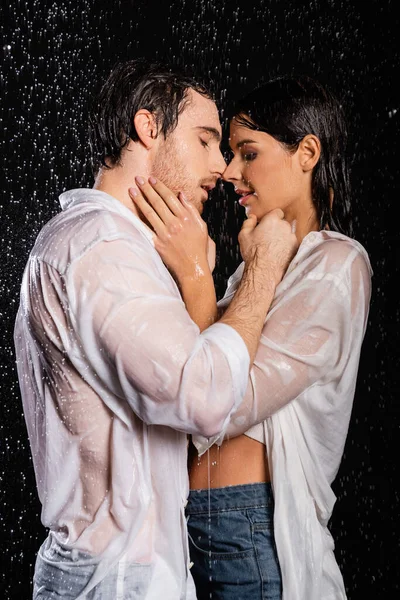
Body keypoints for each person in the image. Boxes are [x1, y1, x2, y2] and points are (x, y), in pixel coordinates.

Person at [13, 59, 298, 600]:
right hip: (118, 582)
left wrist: (194, 280)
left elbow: (184, 425)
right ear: (148, 128)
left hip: (131, 573)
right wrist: (262, 268)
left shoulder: (118, 249)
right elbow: (205, 397)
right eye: (206, 140)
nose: (221, 165)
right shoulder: (99, 248)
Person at [130, 74, 373, 600]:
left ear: (307, 153)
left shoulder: (336, 265)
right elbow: (189, 371)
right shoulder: (257, 266)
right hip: (196, 525)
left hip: (253, 525)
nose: (230, 171)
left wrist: (197, 275)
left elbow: (225, 401)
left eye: (248, 153)